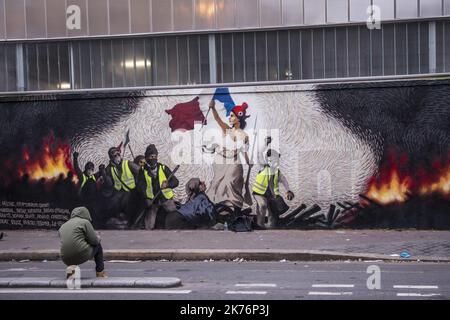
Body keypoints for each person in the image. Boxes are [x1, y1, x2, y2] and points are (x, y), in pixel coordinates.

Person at [205, 100, 252, 218]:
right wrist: (213, 108)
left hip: (234, 162)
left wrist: (248, 161)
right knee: (217, 186)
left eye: (232, 116)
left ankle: (235, 211)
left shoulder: (244, 135)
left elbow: (244, 151)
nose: (229, 118)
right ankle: (220, 213)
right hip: (221, 162)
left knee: (231, 182)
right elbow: (217, 119)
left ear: (238, 118)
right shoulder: (226, 129)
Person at [137, 144, 179, 230]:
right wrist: (146, 198)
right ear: (146, 158)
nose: (153, 159)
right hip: (152, 201)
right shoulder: (142, 171)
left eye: (154, 156)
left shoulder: (163, 168)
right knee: (148, 226)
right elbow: (140, 186)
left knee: (176, 217)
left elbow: (175, 182)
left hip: (166, 199)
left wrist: (167, 185)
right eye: (150, 157)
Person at [58, 207, 106, 278]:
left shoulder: (63, 225)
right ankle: (100, 273)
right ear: (86, 214)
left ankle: (71, 273)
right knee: (98, 246)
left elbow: (71, 240)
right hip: (80, 253)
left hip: (65, 257)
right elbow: (94, 241)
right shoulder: (85, 222)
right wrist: (98, 238)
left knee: (72, 248)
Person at [252, 149, 294, 229]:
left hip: (271, 195)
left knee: (272, 211)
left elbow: (283, 180)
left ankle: (271, 225)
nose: (272, 162)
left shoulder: (277, 172)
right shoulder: (263, 167)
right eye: (270, 160)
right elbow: (258, 156)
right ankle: (260, 224)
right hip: (259, 193)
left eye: (274, 160)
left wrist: (288, 190)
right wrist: (263, 145)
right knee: (262, 205)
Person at [100, 147, 140, 227]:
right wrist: (103, 174)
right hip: (119, 190)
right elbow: (109, 183)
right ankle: (118, 218)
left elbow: (140, 172)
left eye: (117, 154)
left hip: (132, 189)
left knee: (127, 201)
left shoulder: (128, 163)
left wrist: (137, 181)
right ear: (111, 158)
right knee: (113, 202)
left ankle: (129, 220)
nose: (117, 156)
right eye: (114, 155)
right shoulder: (109, 168)